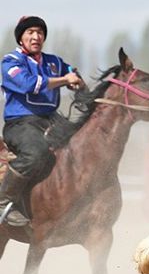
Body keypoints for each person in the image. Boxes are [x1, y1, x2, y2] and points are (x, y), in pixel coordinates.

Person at [0, 16, 85, 227]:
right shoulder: (10, 62)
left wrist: (76, 81)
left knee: (82, 143)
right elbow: (30, 85)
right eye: (30, 32)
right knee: (35, 152)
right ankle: (3, 200)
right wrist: (66, 80)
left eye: (39, 32)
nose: (36, 36)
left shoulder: (53, 62)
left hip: (51, 119)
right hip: (20, 123)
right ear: (21, 37)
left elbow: (72, 72)